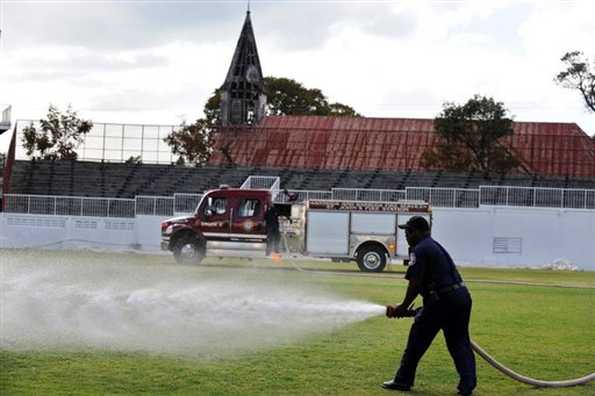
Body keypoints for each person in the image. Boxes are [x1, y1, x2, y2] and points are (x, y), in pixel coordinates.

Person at [384, 216, 476, 395]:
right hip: (461, 297)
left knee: (417, 338)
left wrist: (402, 307)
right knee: (459, 343)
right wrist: (413, 311)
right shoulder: (433, 246)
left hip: (442, 300)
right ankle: (467, 386)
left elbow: (415, 283)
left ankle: (403, 380)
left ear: (417, 231)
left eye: (408, 231)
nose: (406, 235)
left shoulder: (420, 250)